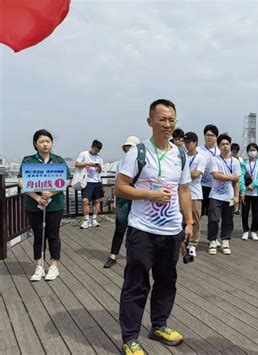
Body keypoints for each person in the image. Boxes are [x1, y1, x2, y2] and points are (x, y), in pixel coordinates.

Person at [115, 99, 193, 354]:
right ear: (150, 122)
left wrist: (189, 221)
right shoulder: (137, 152)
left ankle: (159, 325)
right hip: (142, 229)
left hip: (171, 230)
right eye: (162, 119)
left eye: (172, 120)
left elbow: (184, 190)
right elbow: (120, 187)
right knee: (136, 283)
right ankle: (129, 338)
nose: (167, 124)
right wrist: (149, 195)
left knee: (166, 281)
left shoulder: (179, 154)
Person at [18, 129, 71, 281]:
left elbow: (67, 180)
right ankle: (39, 266)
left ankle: (54, 266)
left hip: (55, 205)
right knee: (38, 236)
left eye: (47, 141)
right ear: (35, 144)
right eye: (41, 141)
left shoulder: (59, 160)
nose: (45, 144)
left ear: (52, 143)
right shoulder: (28, 160)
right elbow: (21, 180)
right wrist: (36, 196)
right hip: (34, 205)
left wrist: (51, 193)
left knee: (53, 234)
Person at [103, 136, 140, 268]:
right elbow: (117, 185)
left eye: (131, 147)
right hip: (123, 199)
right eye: (127, 147)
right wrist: (114, 200)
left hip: (138, 198)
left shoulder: (142, 162)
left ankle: (134, 256)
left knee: (136, 229)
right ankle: (113, 255)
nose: (129, 150)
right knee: (120, 228)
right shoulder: (121, 163)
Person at [207, 133, 241, 255]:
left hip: (230, 196)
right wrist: (231, 177)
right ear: (219, 146)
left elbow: (237, 181)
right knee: (213, 219)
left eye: (227, 144)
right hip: (215, 195)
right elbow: (216, 175)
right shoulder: (214, 159)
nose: (225, 146)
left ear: (230, 145)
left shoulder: (235, 162)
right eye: (222, 144)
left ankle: (225, 241)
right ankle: (213, 241)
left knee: (228, 220)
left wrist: (237, 196)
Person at [183, 131, 207, 257]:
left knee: (195, 220)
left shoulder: (201, 158)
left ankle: (193, 244)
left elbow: (197, 174)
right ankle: (184, 242)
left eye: (188, 142)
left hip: (195, 194)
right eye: (185, 142)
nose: (186, 145)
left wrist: (183, 174)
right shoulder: (182, 156)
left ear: (195, 142)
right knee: (182, 219)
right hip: (182, 193)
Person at [240, 143, 258, 241]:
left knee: (256, 213)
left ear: (257, 151)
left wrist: (253, 184)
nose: (252, 152)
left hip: (256, 192)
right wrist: (243, 189)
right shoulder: (244, 163)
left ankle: (254, 231)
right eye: (250, 150)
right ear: (247, 152)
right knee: (245, 212)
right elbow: (241, 177)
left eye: (254, 150)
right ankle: (245, 230)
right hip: (246, 193)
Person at [75, 139, 104, 229]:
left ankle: (94, 219)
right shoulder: (84, 154)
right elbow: (76, 164)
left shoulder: (99, 158)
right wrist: (88, 164)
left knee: (97, 201)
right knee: (85, 201)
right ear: (92, 147)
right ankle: (86, 220)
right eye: (95, 149)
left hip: (97, 181)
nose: (96, 151)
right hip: (86, 181)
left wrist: (98, 167)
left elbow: (99, 171)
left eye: (98, 150)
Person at [197, 124, 220, 216]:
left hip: (215, 187)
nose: (209, 137)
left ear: (216, 137)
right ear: (204, 136)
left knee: (213, 216)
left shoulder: (219, 152)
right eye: (207, 135)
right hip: (200, 187)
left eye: (212, 135)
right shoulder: (197, 150)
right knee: (198, 213)